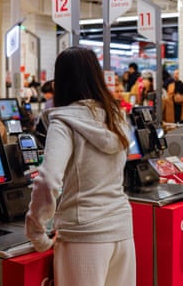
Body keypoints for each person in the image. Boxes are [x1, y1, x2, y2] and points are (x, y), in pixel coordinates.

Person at [25, 47, 136, 285]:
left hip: (83, 233)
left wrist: (37, 231)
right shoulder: (116, 117)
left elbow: (48, 179)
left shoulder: (63, 122)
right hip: (121, 228)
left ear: (61, 81)